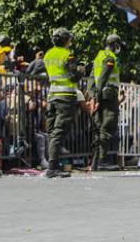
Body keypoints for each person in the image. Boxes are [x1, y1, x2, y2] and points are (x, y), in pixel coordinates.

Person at [43, 28, 83, 178]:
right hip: (65, 97)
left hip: (52, 96)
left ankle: (52, 165)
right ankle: (52, 168)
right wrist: (81, 70)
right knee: (58, 132)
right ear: (66, 40)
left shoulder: (48, 54)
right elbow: (73, 77)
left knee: (52, 132)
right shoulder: (67, 54)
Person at [91, 34, 124, 171]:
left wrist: (93, 96)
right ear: (115, 44)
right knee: (107, 126)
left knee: (100, 128)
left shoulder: (99, 56)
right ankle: (101, 160)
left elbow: (92, 79)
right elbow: (102, 79)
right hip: (108, 95)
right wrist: (96, 98)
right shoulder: (110, 57)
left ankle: (95, 162)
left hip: (101, 94)